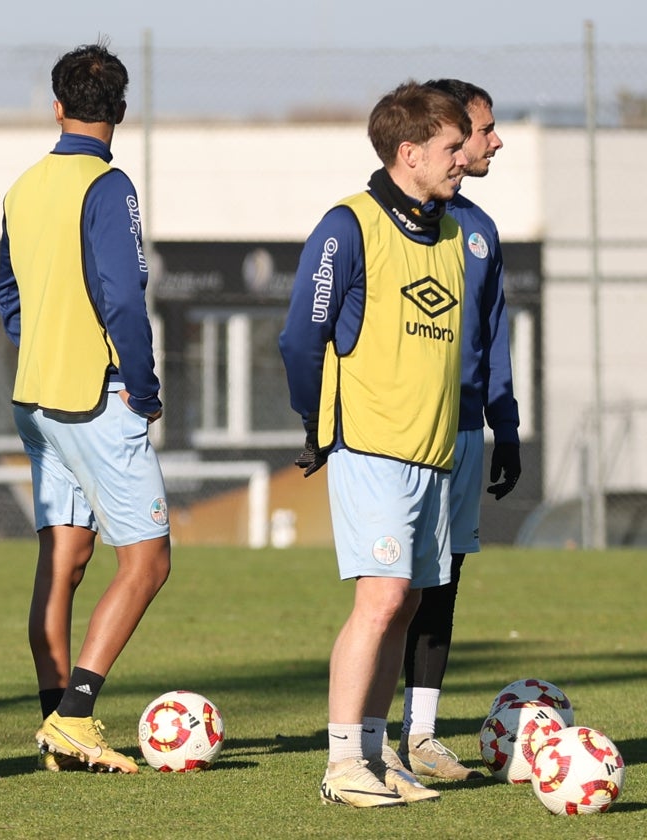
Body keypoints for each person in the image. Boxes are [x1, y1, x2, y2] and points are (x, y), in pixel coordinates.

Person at [278, 81, 472, 807]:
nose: (464, 158)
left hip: (434, 455)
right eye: (452, 147)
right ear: (409, 151)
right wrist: (315, 420)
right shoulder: (348, 225)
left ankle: (375, 752)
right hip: (371, 447)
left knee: (409, 601)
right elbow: (302, 335)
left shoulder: (451, 232)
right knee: (382, 596)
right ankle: (339, 767)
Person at [0, 41, 171, 775]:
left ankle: (51, 722)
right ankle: (75, 715)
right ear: (121, 113)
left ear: (58, 106)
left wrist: (41, 342)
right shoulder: (110, 186)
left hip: (35, 396)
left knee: (64, 562)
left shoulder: (24, 186)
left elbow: (9, 296)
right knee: (149, 561)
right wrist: (145, 380)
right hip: (95, 396)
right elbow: (123, 295)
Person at [396, 79, 520, 782]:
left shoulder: (479, 229)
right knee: (394, 587)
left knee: (444, 581)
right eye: (483, 130)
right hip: (399, 435)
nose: (492, 141)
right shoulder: (383, 221)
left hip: (467, 429)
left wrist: (506, 426)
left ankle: (420, 735)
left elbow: (493, 338)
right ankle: (358, 738)